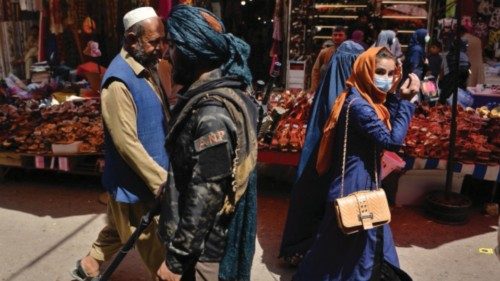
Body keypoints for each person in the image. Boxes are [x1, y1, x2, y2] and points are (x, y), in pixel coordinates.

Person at [293, 47, 419, 280]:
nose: (386, 78)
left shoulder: (369, 101)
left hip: (365, 181)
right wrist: (408, 103)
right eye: (379, 71)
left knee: (356, 243)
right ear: (365, 70)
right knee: (347, 242)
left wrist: (395, 97)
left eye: (391, 73)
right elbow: (391, 140)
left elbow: (386, 121)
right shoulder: (358, 105)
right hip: (354, 184)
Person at [157, 5, 258, 281]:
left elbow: (207, 190)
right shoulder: (227, 92)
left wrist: (176, 261)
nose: (168, 54)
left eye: (174, 46)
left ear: (193, 52)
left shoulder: (211, 113)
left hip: (205, 254)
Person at [71, 7, 169, 280]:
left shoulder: (146, 66)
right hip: (138, 181)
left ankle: (89, 264)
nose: (160, 48)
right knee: (160, 255)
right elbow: (126, 142)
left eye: (162, 40)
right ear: (130, 39)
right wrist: (161, 180)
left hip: (145, 178)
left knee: (119, 225)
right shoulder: (117, 82)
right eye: (154, 42)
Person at [279, 40, 365, 266]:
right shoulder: (351, 94)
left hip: (317, 157)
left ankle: (301, 250)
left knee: (312, 198)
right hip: (332, 159)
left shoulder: (332, 82)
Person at [310, 26, 347, 93]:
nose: (337, 37)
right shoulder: (325, 52)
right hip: (326, 88)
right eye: (335, 35)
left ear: (345, 37)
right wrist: (314, 89)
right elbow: (316, 71)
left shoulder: (350, 53)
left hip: (344, 89)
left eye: (340, 35)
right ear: (332, 37)